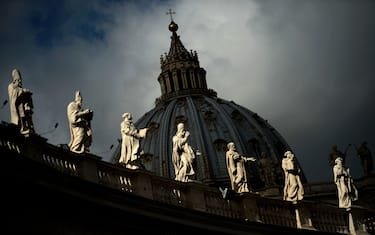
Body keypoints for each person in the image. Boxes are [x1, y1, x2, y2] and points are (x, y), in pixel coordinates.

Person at [8, 68, 34, 134]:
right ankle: (22, 127)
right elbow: (13, 96)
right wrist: (21, 92)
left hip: (22, 105)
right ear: (14, 79)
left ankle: (24, 127)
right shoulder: (11, 86)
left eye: (20, 80)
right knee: (20, 114)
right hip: (17, 104)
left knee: (23, 114)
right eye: (18, 80)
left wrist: (26, 93)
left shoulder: (21, 88)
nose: (19, 81)